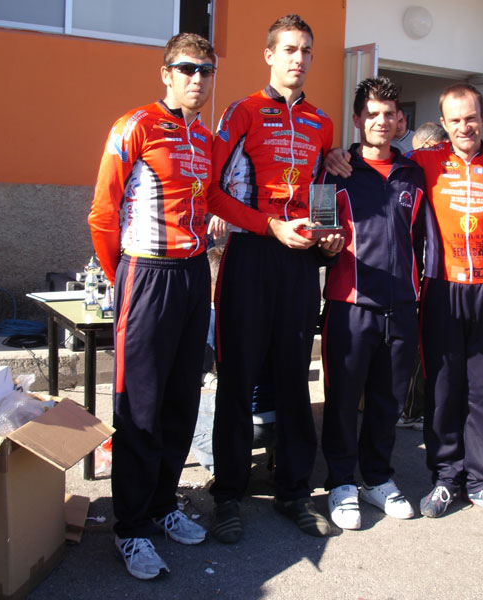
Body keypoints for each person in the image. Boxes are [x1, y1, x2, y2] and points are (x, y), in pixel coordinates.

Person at [325, 83, 483, 522]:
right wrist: (335, 157)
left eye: (471, 117)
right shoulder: (393, 165)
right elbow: (324, 218)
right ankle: (424, 478)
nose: (464, 125)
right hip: (410, 293)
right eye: (455, 119)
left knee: (473, 392)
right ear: (443, 124)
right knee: (428, 390)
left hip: (472, 290)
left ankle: (473, 481)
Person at [207, 14, 343, 543]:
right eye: (289, 49)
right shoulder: (242, 111)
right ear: (269, 55)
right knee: (237, 378)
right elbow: (213, 191)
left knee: (292, 378)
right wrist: (268, 225)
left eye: (306, 50)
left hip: (298, 263)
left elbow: (323, 187)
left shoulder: (322, 122)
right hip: (251, 254)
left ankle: (292, 491)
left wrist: (329, 235)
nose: (298, 59)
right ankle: (228, 495)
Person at [88, 33, 217, 579]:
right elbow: (102, 213)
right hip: (145, 272)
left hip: (193, 275)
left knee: (182, 398)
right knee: (138, 405)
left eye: (206, 70)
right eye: (187, 68)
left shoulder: (206, 138)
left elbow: (209, 204)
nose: (197, 79)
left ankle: (163, 506)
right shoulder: (135, 125)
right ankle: (130, 528)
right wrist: (123, 278)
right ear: (166, 73)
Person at [320, 76, 426, 530]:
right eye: (373, 114)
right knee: (343, 399)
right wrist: (324, 244)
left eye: (390, 114)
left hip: (402, 306)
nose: (382, 122)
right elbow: (318, 231)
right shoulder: (334, 172)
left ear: (400, 120)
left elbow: (423, 240)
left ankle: (378, 478)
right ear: (359, 119)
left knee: (388, 401)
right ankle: (342, 482)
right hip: (350, 305)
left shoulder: (414, 174)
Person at [396, 120, 449, 431]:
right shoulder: (414, 178)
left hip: (443, 276)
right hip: (418, 276)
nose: (414, 159)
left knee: (428, 348)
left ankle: (418, 409)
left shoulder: (446, 179)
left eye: (420, 153)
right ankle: (411, 409)